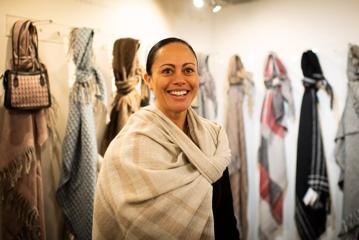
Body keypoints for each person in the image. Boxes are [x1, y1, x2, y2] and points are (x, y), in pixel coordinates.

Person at [93, 37, 239, 239]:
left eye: (188, 70)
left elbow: (226, 219)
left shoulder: (214, 137)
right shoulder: (125, 149)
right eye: (167, 71)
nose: (180, 79)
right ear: (149, 80)